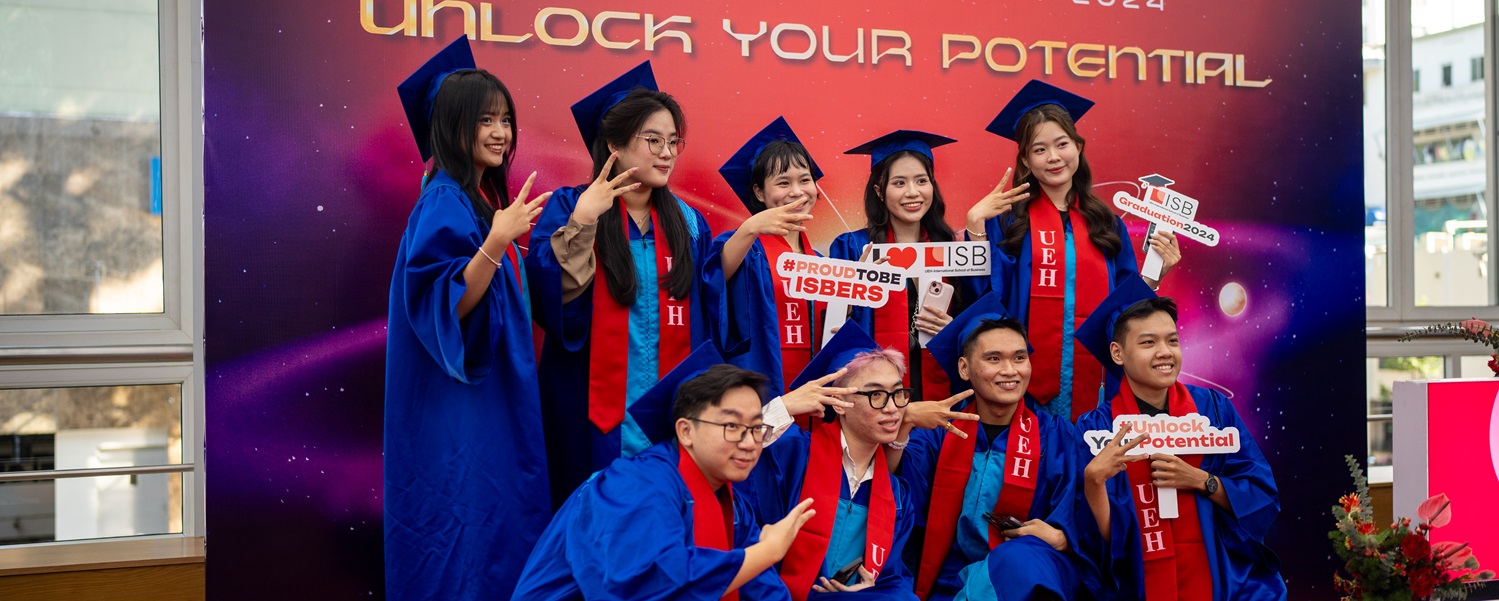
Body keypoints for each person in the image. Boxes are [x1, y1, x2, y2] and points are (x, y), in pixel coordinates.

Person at [385, 36, 552, 599]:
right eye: (486, 119)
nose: (501, 132)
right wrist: (498, 241)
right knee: (471, 524)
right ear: (452, 126)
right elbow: (444, 302)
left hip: (492, 396)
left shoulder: (475, 198)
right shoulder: (446, 201)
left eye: (505, 118)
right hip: (461, 410)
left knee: (497, 520)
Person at [527, 61, 715, 508]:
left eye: (673, 142)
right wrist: (584, 221)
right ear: (614, 143)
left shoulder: (689, 223)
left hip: (670, 412)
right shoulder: (570, 205)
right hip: (591, 409)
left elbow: (711, 311)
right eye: (653, 140)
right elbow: (551, 300)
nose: (667, 152)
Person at [514, 342, 817, 600]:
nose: (750, 443)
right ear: (685, 431)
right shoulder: (633, 485)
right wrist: (768, 550)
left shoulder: (733, 504)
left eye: (756, 428)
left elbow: (761, 588)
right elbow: (647, 584)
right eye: (732, 426)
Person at [969, 80, 1182, 421]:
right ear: (1025, 158)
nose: (1053, 157)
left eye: (1062, 144)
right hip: (1023, 385)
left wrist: (1155, 276)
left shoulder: (1106, 223)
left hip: (1094, 385)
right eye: (1039, 149)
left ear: (1078, 147)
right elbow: (986, 300)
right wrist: (976, 227)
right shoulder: (1008, 223)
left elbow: (1125, 310)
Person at [1073, 278, 1285, 600]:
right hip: (1138, 584)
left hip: (1217, 578)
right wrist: (1093, 482)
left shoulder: (1214, 411)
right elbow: (1092, 539)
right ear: (1117, 353)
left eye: (1172, 340)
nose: (1165, 352)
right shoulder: (1096, 430)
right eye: (1148, 343)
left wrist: (1202, 480)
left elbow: (1261, 493)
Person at [894, 293, 1101, 601]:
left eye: (1019, 358)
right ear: (964, 369)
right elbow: (894, 492)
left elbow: (1084, 511)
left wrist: (1062, 538)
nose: (1010, 370)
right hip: (952, 575)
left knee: (1019, 562)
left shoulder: (1055, 435)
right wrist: (904, 421)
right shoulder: (938, 434)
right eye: (994, 359)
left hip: (1032, 575)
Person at [741, 323, 924, 600]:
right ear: (838, 403)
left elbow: (894, 576)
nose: (891, 407)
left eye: (898, 393)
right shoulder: (793, 453)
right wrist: (783, 407)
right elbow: (728, 447)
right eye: (875, 394)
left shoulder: (897, 494)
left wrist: (870, 589)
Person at [831, 130, 981, 404]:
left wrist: (956, 330)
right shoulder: (853, 248)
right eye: (899, 183)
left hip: (945, 394)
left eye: (921, 181)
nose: (913, 192)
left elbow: (983, 315)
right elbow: (832, 331)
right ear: (879, 191)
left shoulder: (953, 249)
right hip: (877, 400)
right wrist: (850, 299)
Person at [705, 116, 822, 398]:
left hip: (814, 391)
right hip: (760, 386)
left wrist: (863, 284)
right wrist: (750, 228)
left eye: (805, 180)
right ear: (759, 192)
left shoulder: (820, 260)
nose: (797, 191)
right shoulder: (743, 246)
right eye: (783, 183)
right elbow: (713, 281)